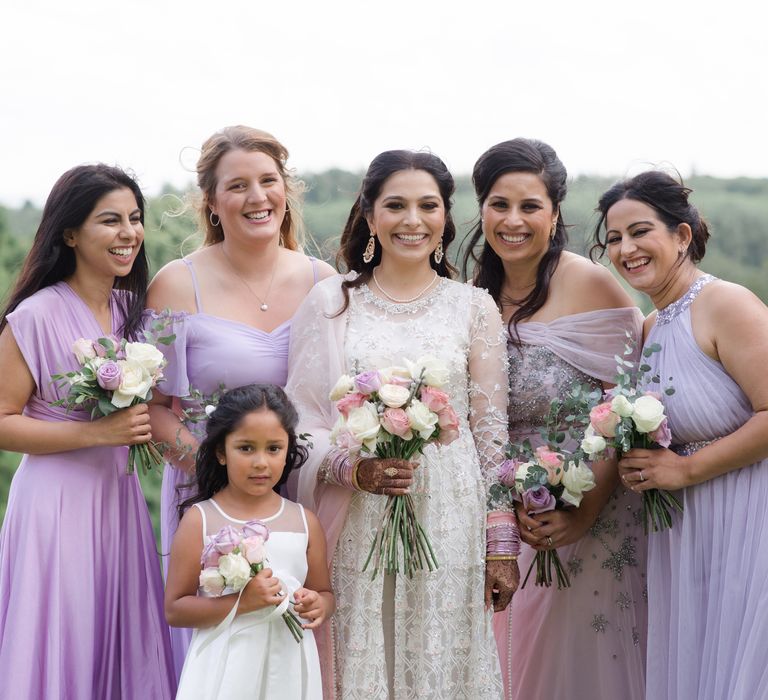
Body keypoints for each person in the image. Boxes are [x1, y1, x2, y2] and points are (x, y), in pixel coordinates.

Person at [286, 150, 515, 699]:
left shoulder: (473, 307)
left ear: (445, 217)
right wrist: (352, 469)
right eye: (396, 205)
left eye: (427, 206)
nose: (412, 220)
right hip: (358, 508)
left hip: (449, 510)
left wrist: (501, 541)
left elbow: (490, 432)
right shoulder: (332, 302)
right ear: (369, 216)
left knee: (439, 658)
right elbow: (301, 420)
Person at [146, 125, 335, 674]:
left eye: (268, 181)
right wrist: (218, 474)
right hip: (207, 491)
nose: (257, 198)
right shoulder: (175, 284)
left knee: (293, 643)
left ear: (286, 188)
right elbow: (155, 406)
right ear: (211, 201)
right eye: (238, 186)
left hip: (298, 489)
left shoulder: (323, 282)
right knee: (219, 655)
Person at [464, 138, 647, 699]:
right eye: (499, 204)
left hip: (588, 517)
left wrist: (580, 514)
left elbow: (629, 413)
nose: (513, 221)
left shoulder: (592, 285)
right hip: (495, 520)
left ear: (555, 212)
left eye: (530, 206)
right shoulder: (470, 294)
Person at [0, 164, 175, 698]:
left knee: (120, 637)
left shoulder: (135, 313)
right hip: (55, 504)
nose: (129, 233)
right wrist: (98, 435)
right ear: (71, 233)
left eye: (135, 218)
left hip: (119, 501)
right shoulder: (35, 316)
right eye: (110, 221)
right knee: (64, 630)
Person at [592, 170, 768, 700]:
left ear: (683, 236)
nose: (626, 249)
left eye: (640, 232)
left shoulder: (726, 304)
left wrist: (685, 468)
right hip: (684, 533)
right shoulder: (649, 327)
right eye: (615, 239)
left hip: (747, 516)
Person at [165, 384, 332, 700]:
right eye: (246, 448)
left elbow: (324, 592)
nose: (260, 462)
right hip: (225, 669)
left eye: (273, 449)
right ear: (221, 452)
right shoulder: (201, 519)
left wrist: (318, 604)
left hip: (289, 668)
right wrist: (241, 603)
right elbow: (176, 609)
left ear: (287, 450)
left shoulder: (305, 521)